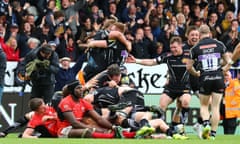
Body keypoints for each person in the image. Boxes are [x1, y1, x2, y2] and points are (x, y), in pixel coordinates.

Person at [126, 36, 192, 134]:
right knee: (161, 107)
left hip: (184, 88)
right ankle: (161, 129)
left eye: (175, 47)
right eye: (171, 47)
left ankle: (181, 128)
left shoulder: (189, 55)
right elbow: (152, 62)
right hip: (171, 88)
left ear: (181, 46)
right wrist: (137, 61)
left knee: (185, 102)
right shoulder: (167, 56)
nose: (173, 50)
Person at [186, 24, 232, 140]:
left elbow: (188, 67)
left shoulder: (195, 48)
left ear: (200, 34)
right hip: (218, 78)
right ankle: (213, 134)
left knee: (204, 105)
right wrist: (223, 70)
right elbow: (229, 61)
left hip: (205, 78)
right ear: (210, 33)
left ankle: (206, 123)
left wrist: (195, 73)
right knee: (216, 107)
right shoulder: (219, 44)